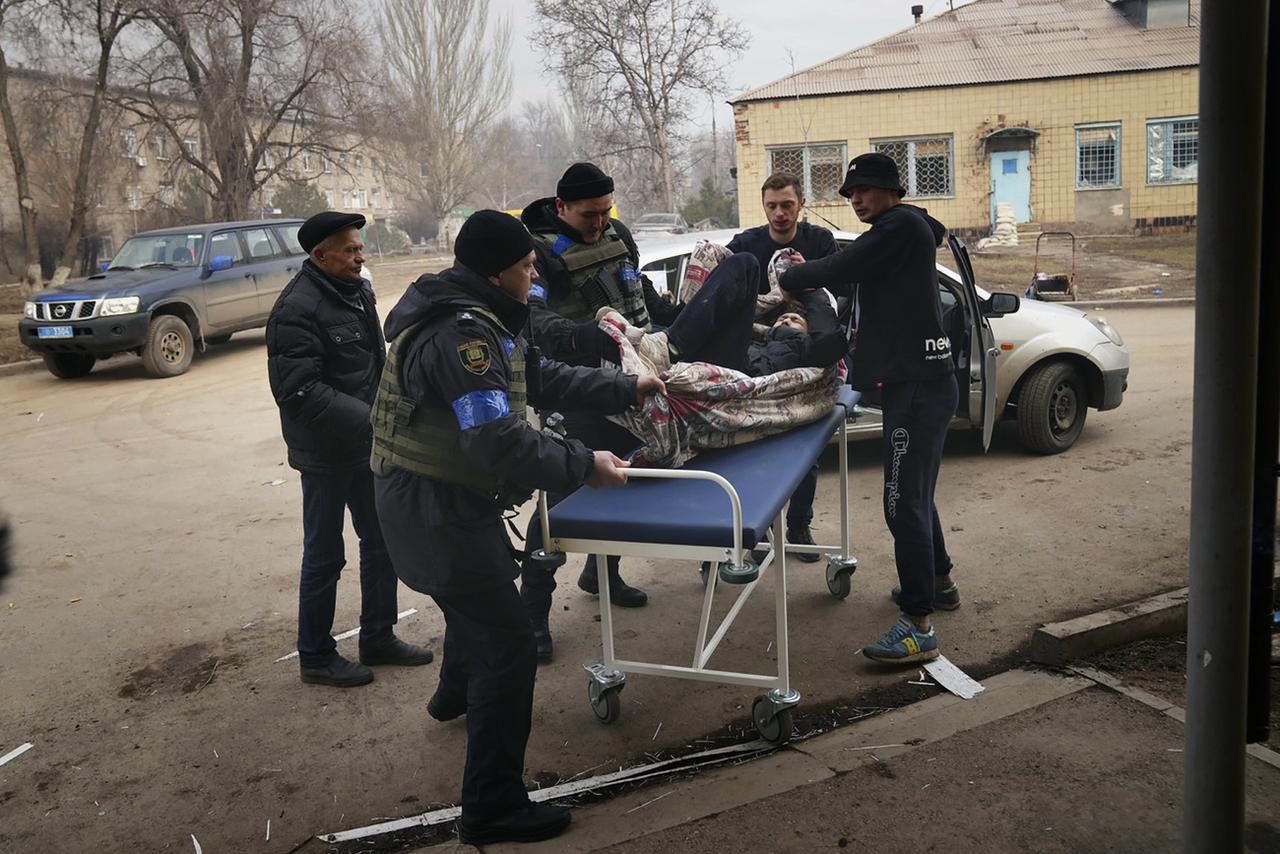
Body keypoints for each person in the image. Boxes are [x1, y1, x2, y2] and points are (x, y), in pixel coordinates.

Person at [371, 210, 663, 845]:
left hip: (442, 503)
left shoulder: (486, 321)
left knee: (477, 609)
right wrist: (585, 465)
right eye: (527, 267)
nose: (536, 277)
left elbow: (541, 377)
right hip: (433, 509)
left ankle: (452, 695)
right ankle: (493, 806)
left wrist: (627, 387)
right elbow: (497, 443)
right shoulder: (463, 339)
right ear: (492, 272)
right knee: (505, 642)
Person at [518, 161, 760, 660]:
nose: (601, 222)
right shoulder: (540, 252)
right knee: (557, 506)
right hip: (583, 392)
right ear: (561, 207)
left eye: (607, 212)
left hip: (640, 380)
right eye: (590, 215)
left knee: (629, 478)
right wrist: (585, 335)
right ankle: (532, 618)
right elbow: (532, 320)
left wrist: (671, 317)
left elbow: (639, 295)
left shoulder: (619, 235)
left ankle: (601, 574)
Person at [779, 152, 959, 665]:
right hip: (924, 384)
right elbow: (855, 275)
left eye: (863, 191)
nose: (855, 200)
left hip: (917, 389)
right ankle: (940, 584)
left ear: (889, 190)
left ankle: (919, 627)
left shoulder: (898, 226)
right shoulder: (909, 226)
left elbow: (840, 266)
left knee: (901, 502)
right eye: (849, 193)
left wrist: (790, 275)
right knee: (919, 496)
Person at [266, 212, 434, 687]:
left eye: (360, 247)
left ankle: (378, 636)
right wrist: (375, 419)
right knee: (324, 554)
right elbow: (298, 391)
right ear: (320, 256)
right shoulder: (295, 309)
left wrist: (394, 405)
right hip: (323, 454)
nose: (361, 256)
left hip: (366, 446)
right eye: (350, 250)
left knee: (380, 540)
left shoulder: (357, 290)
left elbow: (375, 365)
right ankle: (315, 654)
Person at [728, 172, 843, 561]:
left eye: (787, 205)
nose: (779, 213)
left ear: (801, 204)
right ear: (763, 206)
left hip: (806, 358)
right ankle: (756, 532)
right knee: (751, 454)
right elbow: (723, 289)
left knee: (804, 453)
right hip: (756, 359)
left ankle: (798, 526)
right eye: (772, 206)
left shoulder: (818, 242)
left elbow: (834, 293)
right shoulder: (745, 245)